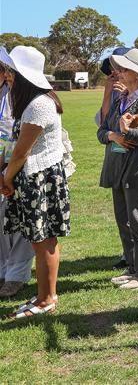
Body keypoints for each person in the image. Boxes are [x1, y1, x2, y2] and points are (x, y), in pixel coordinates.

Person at [1, 46, 70, 319]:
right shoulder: (33, 102)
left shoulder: (39, 104)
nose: (8, 77)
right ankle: (45, 295)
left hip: (39, 181)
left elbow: (21, 151)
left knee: (43, 241)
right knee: (39, 240)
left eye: (11, 72)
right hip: (32, 179)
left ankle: (46, 300)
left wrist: (6, 179)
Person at [97, 49, 138, 289]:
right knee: (123, 221)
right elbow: (101, 131)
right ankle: (133, 269)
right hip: (117, 169)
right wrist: (113, 135)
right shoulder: (121, 100)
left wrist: (128, 132)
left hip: (136, 171)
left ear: (136, 73)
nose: (119, 73)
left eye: (123, 69)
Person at [0, 49, 34, 299]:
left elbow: (20, 140)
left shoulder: (22, 94)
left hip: (19, 164)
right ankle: (3, 270)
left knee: (20, 223)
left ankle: (16, 275)